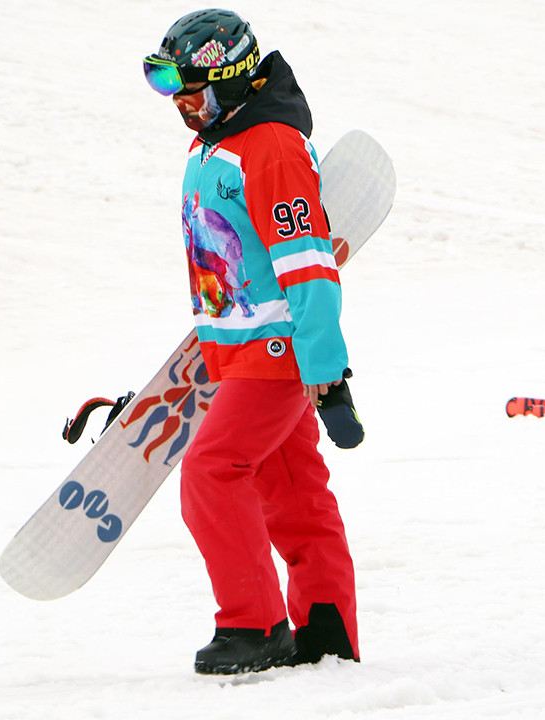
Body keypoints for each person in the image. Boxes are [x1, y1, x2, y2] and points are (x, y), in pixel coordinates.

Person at [142, 9, 359, 674]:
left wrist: (328, 373)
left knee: (212, 472)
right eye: (169, 88)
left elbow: (308, 266)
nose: (181, 102)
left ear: (233, 78)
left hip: (276, 351)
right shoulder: (212, 145)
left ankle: (254, 625)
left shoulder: (271, 148)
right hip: (236, 353)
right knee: (290, 488)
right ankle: (326, 630)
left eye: (192, 87)